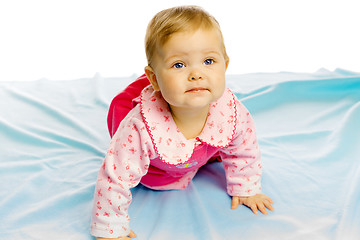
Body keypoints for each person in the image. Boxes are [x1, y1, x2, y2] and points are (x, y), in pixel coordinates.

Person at [91, 5, 274, 240]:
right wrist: (110, 227)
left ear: (225, 66)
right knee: (133, 163)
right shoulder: (140, 128)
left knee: (227, 142)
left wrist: (245, 187)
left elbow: (244, 148)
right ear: (154, 79)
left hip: (201, 152)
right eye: (179, 65)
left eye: (209, 61)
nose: (196, 74)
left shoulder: (231, 112)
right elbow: (114, 178)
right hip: (157, 171)